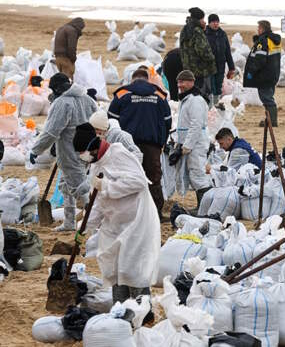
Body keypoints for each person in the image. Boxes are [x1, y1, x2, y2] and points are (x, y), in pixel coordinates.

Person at [73, 123, 160, 304]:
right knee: (113, 267)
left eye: (84, 152)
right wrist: (84, 229)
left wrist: (107, 186)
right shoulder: (96, 166)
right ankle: (119, 308)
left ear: (94, 147)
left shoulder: (119, 154)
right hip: (114, 222)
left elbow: (139, 182)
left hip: (136, 219)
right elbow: (96, 204)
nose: (83, 157)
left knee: (132, 268)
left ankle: (143, 309)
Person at [29, 73, 97, 231]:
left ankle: (94, 220)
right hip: (88, 148)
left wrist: (36, 150)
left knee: (79, 187)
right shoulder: (87, 99)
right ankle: (69, 222)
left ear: (57, 89)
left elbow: (51, 132)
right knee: (67, 185)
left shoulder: (62, 103)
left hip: (69, 151)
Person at [107, 68, 171, 218]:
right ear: (148, 80)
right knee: (153, 178)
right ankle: (156, 214)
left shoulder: (122, 94)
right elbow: (168, 121)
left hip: (126, 145)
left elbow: (110, 121)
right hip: (152, 145)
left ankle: (128, 213)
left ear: (132, 80)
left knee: (126, 177)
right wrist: (162, 141)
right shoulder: (159, 95)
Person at [176, 70, 212, 205]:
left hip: (196, 144)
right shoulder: (186, 99)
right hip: (190, 143)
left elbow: (196, 124)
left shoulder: (196, 100)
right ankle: (203, 205)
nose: (180, 85)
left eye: (183, 82)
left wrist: (187, 145)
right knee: (193, 175)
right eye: (179, 82)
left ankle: (207, 205)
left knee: (198, 174)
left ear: (191, 82)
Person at [243, 20, 281, 127]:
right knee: (269, 96)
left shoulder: (263, 41)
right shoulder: (273, 40)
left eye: (258, 28)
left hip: (264, 75)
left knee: (266, 98)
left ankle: (272, 121)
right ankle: (269, 119)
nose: (257, 30)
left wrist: (251, 71)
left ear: (262, 29)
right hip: (273, 73)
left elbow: (259, 59)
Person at [180, 7, 216, 103]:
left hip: (187, 67)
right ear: (198, 19)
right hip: (199, 69)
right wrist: (212, 58)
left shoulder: (185, 29)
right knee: (200, 95)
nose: (204, 21)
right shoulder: (197, 31)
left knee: (190, 94)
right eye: (202, 19)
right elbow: (203, 51)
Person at [206, 14, 235, 105]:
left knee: (218, 87)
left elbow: (227, 52)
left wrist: (231, 67)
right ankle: (210, 107)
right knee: (211, 87)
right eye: (213, 22)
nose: (216, 24)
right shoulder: (205, 33)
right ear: (209, 23)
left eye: (217, 22)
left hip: (220, 66)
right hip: (209, 67)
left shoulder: (222, 34)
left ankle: (216, 104)